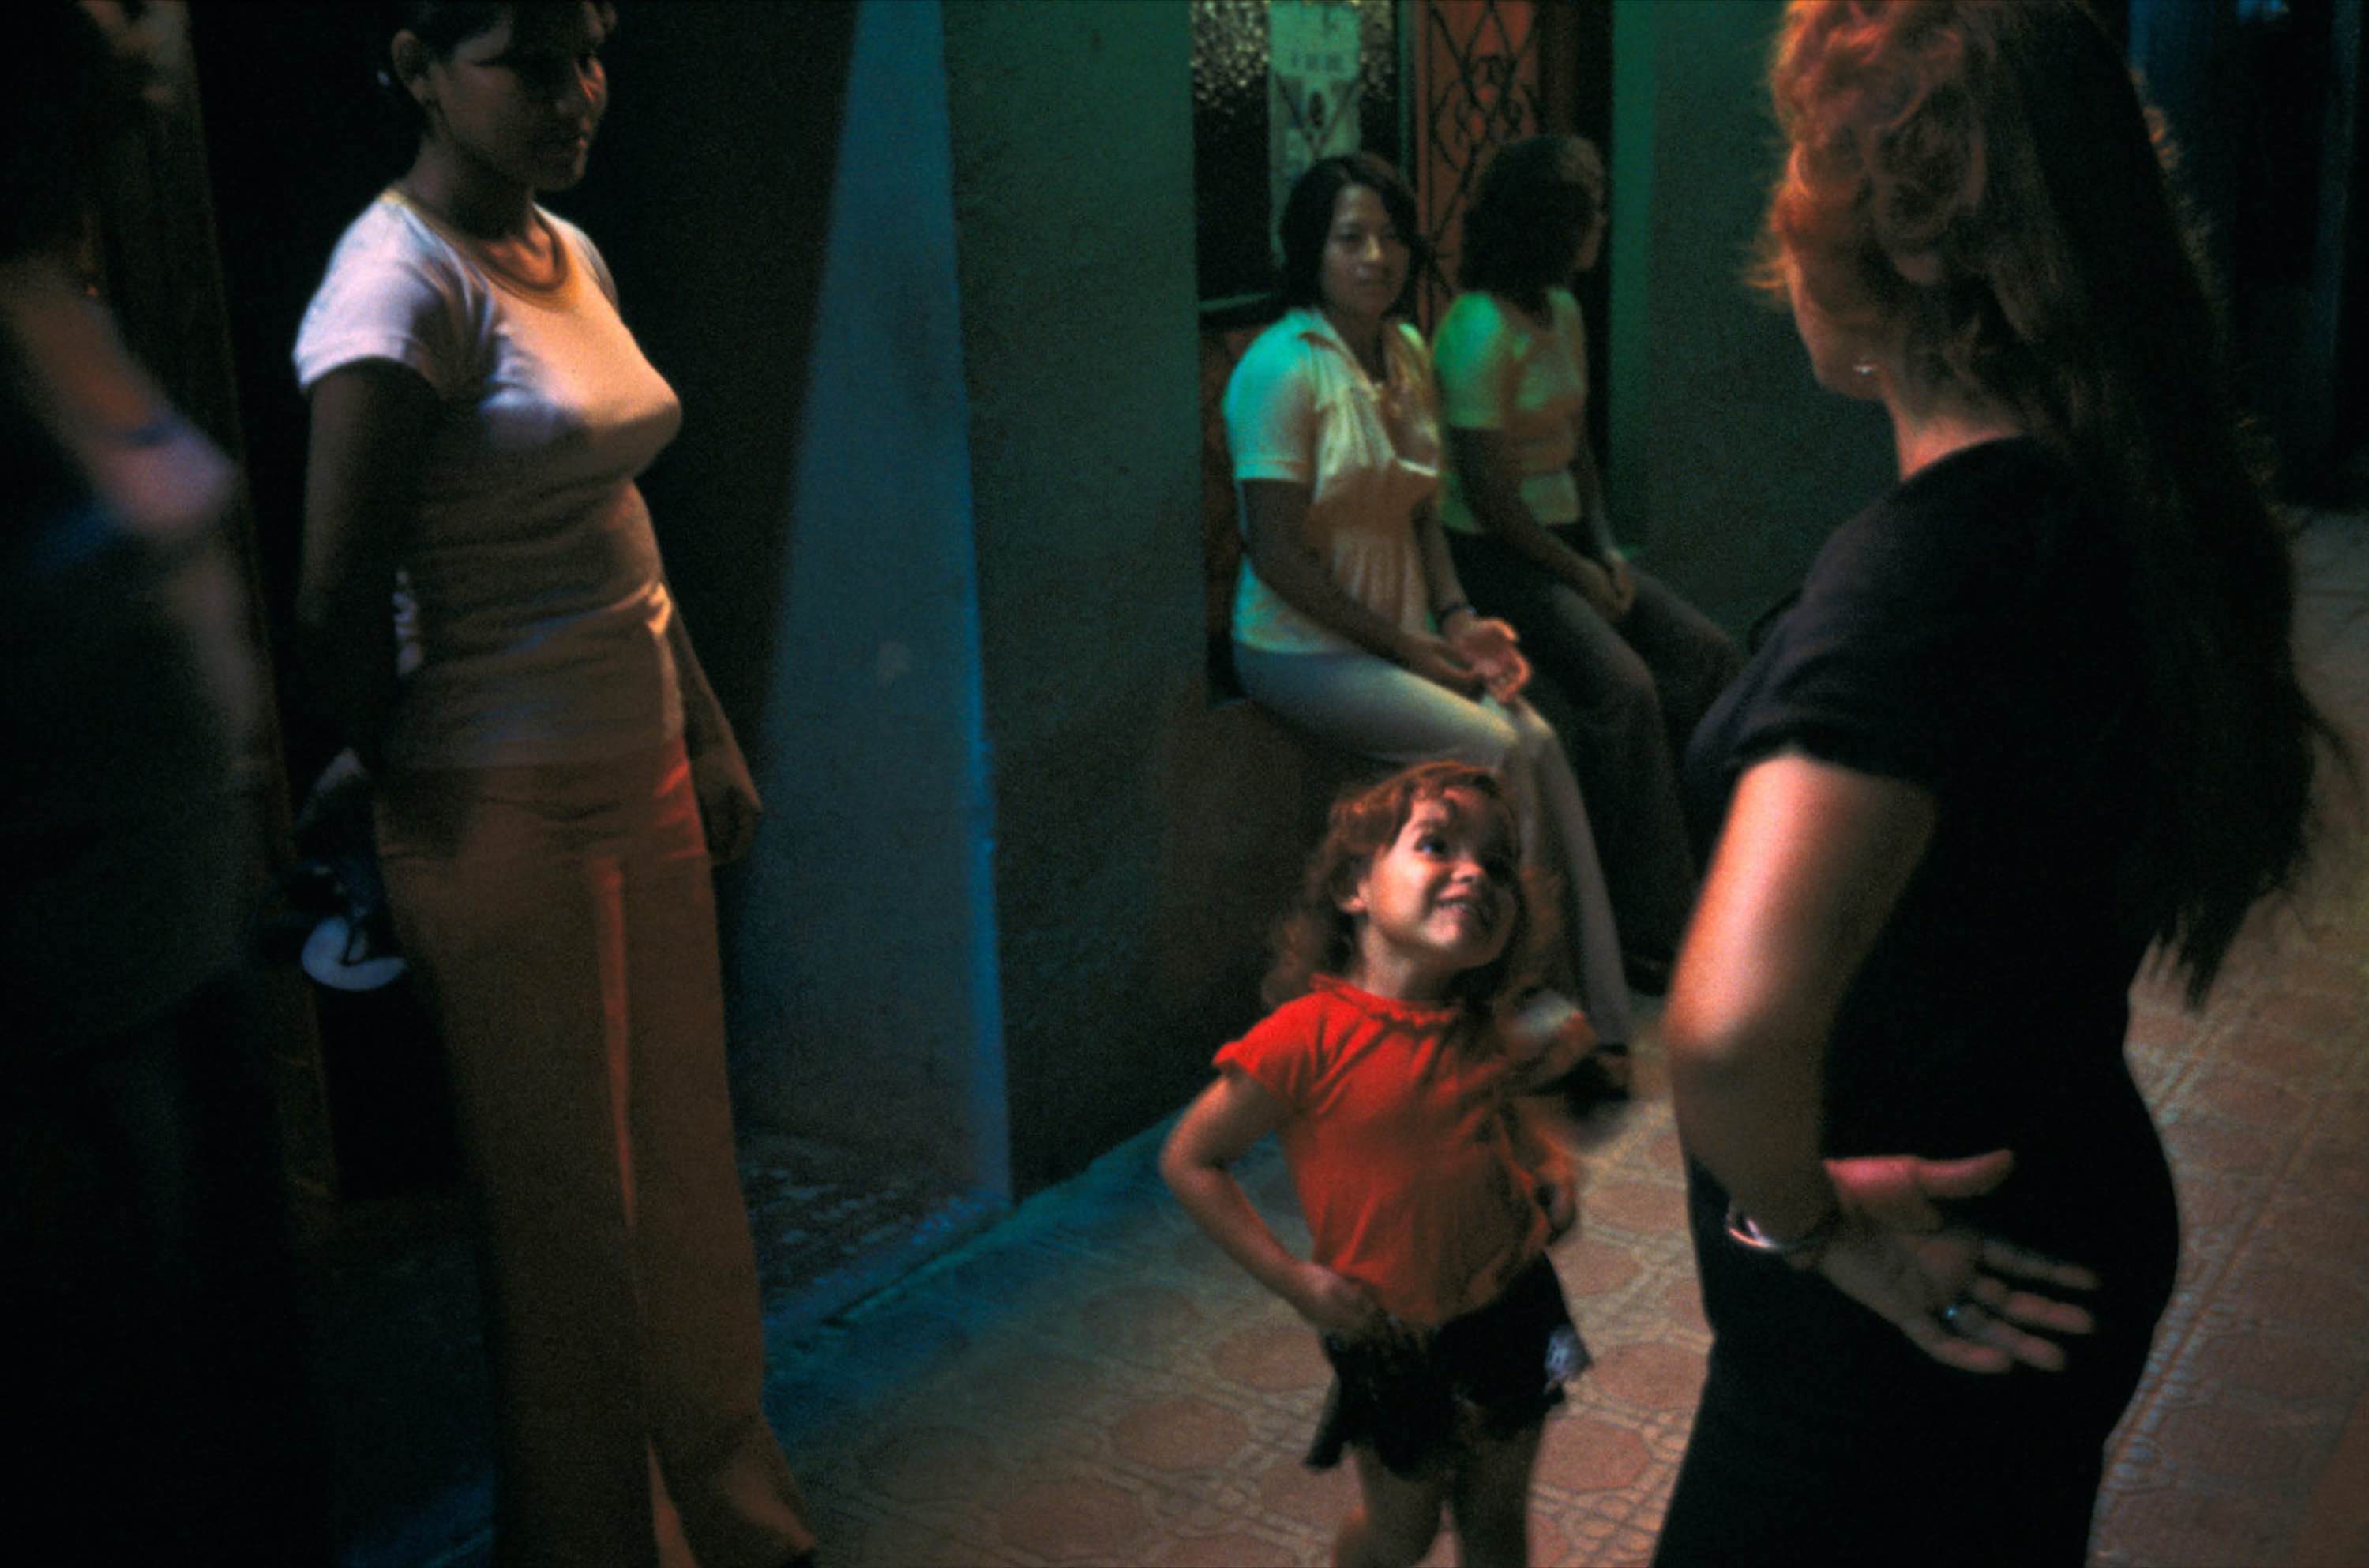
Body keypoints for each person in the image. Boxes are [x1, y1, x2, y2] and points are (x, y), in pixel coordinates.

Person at [1654, 2, 2337, 1563]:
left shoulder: (1918, 577)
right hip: (2059, 1210)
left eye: (1796, 170)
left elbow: (1731, 1032)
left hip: (1918, 1303)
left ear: (1887, 241)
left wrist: (1808, 1230)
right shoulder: (2113, 504)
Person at [292, 5, 813, 1564]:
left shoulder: (561, 250)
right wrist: (391, 765)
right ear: (417, 66)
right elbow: (335, 601)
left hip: (632, 761)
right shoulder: (396, 286)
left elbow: (612, 523)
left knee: (686, 1192)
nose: (578, 92)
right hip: (501, 797)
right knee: (569, 1234)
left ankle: (739, 1521)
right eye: (529, 60)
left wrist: (701, 727)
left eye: (591, 51)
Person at [2, 3, 329, 1561]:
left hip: (187, 970)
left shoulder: (49, 292)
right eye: (102, 19)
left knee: (236, 1443)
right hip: (71, 1036)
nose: (142, 48)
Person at [1225, 150, 1633, 1065]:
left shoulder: (1405, 351)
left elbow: (1423, 512)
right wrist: (1407, 647)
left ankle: (1587, 1001)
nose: (1375, 257)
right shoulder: (1281, 369)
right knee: (1491, 747)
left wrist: (1457, 620)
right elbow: (1277, 556)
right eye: (1350, 239)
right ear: (1311, 251)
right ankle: (1506, 998)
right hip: (1299, 647)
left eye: (1390, 237)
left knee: (1538, 738)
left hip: (1399, 633)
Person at [1162, 761, 1594, 1568]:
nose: (1476, 872)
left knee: (1497, 1517)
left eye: (1497, 862)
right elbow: (1192, 1159)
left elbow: (1501, 1104)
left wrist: (1551, 1159)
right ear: (1354, 887)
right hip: (1393, 1334)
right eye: (1437, 845)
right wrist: (1294, 1280)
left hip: (1513, 1302)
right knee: (1402, 1530)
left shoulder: (1479, 1023)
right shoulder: (1304, 1039)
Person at [1432, 134, 1740, 985]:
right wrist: (1576, 575)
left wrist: (1606, 549)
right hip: (1497, 555)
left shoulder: (1562, 312)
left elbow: (1579, 452)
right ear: (1547, 224)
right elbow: (1491, 498)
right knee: (1624, 688)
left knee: (1707, 654)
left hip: (1569, 542)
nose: (1601, 225)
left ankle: (1713, 878)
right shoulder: (1477, 328)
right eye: (1588, 213)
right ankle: (1649, 928)